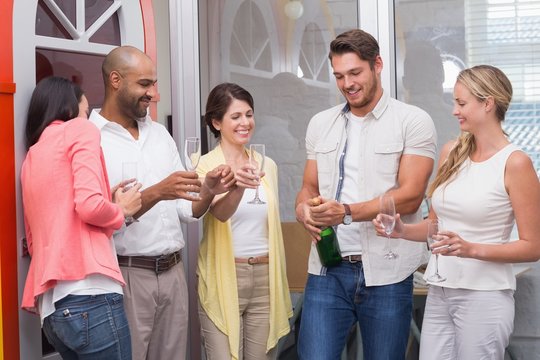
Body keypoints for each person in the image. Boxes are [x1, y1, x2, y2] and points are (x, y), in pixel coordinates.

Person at [374, 65, 540, 359]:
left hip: (485, 297)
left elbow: (532, 247)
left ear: (487, 103)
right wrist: (402, 231)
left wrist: (470, 248)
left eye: (461, 103)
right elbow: (435, 228)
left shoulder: (515, 163)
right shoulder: (451, 152)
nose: (454, 110)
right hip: (440, 291)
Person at [294, 29, 437, 359]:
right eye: (339, 76)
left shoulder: (412, 121)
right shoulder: (320, 123)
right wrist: (304, 209)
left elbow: (412, 196)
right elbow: (309, 187)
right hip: (327, 269)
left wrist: (345, 212)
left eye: (355, 73)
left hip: (387, 273)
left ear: (377, 65)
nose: (347, 84)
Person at [89, 46, 235, 360]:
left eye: (153, 84)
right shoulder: (90, 139)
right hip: (127, 276)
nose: (153, 94)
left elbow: (187, 210)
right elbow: (98, 221)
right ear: (115, 80)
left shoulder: (159, 135)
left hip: (173, 273)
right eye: (144, 84)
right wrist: (158, 191)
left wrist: (207, 190)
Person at [21, 76, 143, 359]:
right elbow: (88, 207)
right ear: (70, 109)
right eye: (87, 111)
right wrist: (120, 211)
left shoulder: (32, 155)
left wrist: (106, 201)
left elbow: (39, 234)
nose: (88, 118)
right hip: (91, 295)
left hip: (53, 311)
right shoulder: (79, 129)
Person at [196, 83, 292, 360]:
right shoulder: (204, 165)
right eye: (235, 116)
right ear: (217, 122)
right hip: (224, 275)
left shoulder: (266, 165)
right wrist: (238, 187)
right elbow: (219, 214)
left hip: (265, 275)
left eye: (249, 114)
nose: (245, 123)